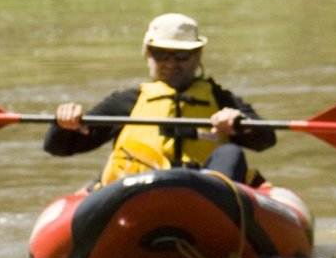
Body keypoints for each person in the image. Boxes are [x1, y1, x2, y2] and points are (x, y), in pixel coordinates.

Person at [43, 13, 276, 186]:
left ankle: (213, 203)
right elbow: (58, 147)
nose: (171, 63)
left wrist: (240, 125)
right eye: (160, 54)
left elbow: (267, 140)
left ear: (197, 57)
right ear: (147, 55)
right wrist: (63, 124)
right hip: (141, 195)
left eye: (181, 55)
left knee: (231, 154)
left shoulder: (221, 99)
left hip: (209, 197)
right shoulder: (125, 103)